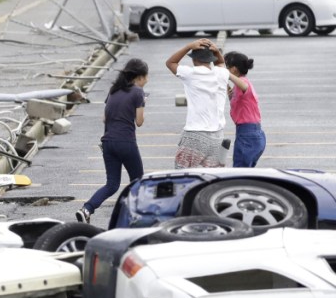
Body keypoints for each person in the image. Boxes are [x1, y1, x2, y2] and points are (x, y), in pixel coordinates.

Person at [76, 58, 149, 224]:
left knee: (112, 184)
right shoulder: (138, 92)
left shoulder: (113, 90)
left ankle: (86, 209)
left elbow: (104, 118)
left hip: (108, 142)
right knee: (138, 181)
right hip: (126, 142)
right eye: (146, 77)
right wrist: (142, 104)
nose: (147, 80)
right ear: (139, 77)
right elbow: (139, 122)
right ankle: (137, 215)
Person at [166, 38, 247, 168]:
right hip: (217, 137)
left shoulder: (190, 73)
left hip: (195, 135)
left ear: (193, 59)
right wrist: (217, 51)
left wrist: (188, 46)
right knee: (212, 179)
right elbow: (221, 63)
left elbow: (170, 62)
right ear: (211, 59)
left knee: (182, 176)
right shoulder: (222, 73)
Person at [224, 51, 265, 167]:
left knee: (239, 172)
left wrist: (225, 74)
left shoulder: (244, 82)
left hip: (248, 134)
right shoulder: (238, 86)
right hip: (249, 133)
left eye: (227, 66)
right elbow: (237, 102)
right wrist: (227, 88)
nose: (225, 69)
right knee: (245, 172)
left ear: (234, 69)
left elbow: (244, 86)